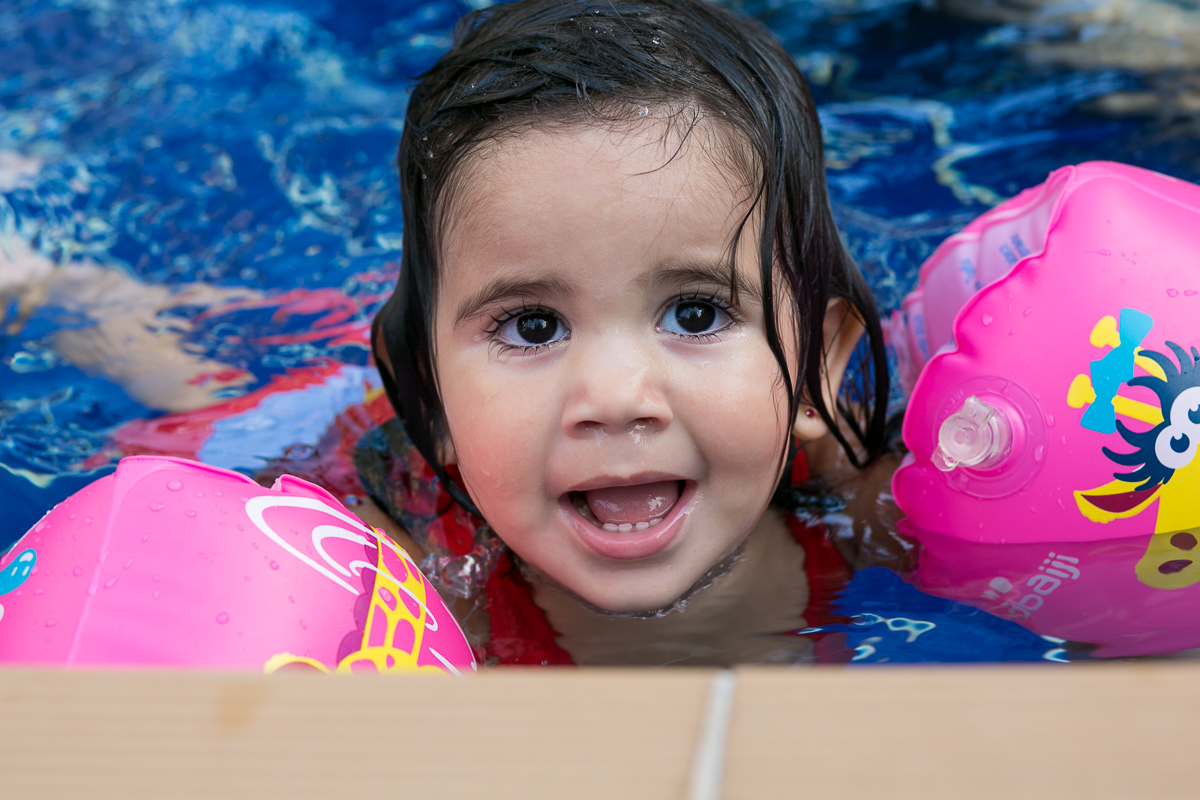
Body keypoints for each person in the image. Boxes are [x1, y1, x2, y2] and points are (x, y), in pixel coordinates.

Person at [367, 0, 906, 666]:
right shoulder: (400, 580)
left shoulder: (873, 503)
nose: (617, 398)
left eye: (696, 314)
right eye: (533, 327)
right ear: (430, 390)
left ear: (815, 366)